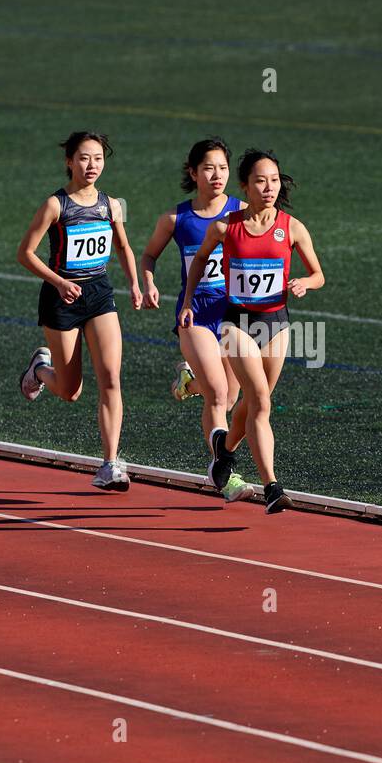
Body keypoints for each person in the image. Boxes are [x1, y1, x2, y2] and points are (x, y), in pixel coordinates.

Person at [179, 149, 324, 513]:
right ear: (245, 185)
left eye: (274, 180)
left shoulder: (292, 228)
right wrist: (186, 302)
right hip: (236, 323)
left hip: (276, 323)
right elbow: (198, 261)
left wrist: (306, 282)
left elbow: (319, 274)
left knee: (251, 403)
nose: (269, 187)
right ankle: (272, 486)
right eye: (261, 181)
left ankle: (224, 453)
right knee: (260, 400)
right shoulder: (226, 227)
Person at [16, 130, 142, 491]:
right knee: (70, 390)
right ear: (69, 161)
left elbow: (123, 247)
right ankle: (40, 370)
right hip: (62, 299)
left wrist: (134, 283)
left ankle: (110, 463)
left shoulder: (111, 204)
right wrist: (58, 282)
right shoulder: (56, 205)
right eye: (84, 158)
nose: (92, 165)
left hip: (99, 294)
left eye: (99, 158)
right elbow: (25, 253)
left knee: (111, 379)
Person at [141, 138, 254, 502]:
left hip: (232, 314)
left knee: (231, 396)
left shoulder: (243, 211)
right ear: (193, 172)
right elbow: (149, 255)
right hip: (195, 314)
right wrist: (148, 281)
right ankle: (224, 472)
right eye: (209, 167)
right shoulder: (176, 219)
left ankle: (187, 383)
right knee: (219, 392)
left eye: (223, 167)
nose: (217, 175)